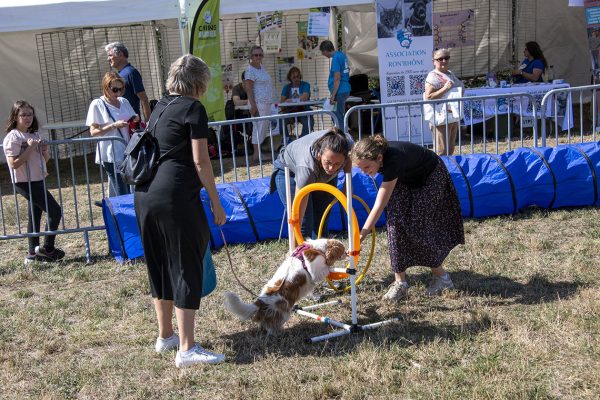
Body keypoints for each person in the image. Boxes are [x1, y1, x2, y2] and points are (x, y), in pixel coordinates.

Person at [134, 54, 227, 368]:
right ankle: (187, 349)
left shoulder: (160, 106)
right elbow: (201, 161)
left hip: (145, 194)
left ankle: (166, 336)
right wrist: (215, 202)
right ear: (200, 82)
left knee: (159, 264)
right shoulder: (193, 108)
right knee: (186, 265)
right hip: (175, 197)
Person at [352, 135, 464, 301]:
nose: (363, 172)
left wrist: (362, 234)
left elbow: (379, 204)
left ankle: (443, 278)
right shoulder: (380, 160)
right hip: (407, 176)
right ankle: (400, 283)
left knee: (418, 227)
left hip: (431, 176)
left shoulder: (393, 160)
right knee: (394, 224)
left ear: (379, 158)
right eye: (360, 168)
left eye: (366, 167)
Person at [3, 101, 65, 264]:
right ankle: (48, 249)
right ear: (15, 117)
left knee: (35, 215)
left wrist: (44, 151)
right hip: (24, 182)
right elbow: (13, 163)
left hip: (38, 179)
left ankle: (33, 253)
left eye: (30, 114)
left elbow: (43, 160)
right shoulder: (13, 136)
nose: (27, 117)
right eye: (23, 114)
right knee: (55, 211)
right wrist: (30, 148)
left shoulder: (34, 134)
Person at [271, 128, 353, 243]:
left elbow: (348, 160)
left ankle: (320, 257)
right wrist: (295, 246)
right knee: (305, 223)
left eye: (337, 164)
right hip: (289, 171)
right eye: (328, 162)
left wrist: (347, 185)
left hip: (321, 174)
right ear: (320, 156)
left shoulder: (346, 143)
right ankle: (301, 256)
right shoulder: (307, 168)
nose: (331, 168)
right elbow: (298, 213)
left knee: (321, 222)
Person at [86, 72, 137, 197]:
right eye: (115, 89)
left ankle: (116, 212)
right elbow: (93, 132)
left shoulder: (124, 101)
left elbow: (132, 118)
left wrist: (135, 119)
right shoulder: (97, 104)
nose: (118, 93)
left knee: (129, 189)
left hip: (128, 150)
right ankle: (122, 215)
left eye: (121, 89)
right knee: (122, 190)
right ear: (106, 87)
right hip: (111, 154)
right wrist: (113, 126)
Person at [423, 48, 464, 156]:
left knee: (450, 149)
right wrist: (445, 88)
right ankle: (439, 171)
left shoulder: (450, 73)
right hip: (440, 118)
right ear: (434, 61)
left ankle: (447, 170)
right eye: (440, 59)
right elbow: (429, 96)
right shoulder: (432, 76)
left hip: (452, 116)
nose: (444, 61)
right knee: (441, 150)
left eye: (446, 58)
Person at [105, 42, 151, 121]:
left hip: (132, 124)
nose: (108, 59)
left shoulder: (131, 72)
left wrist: (148, 123)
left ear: (120, 54)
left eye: (110, 55)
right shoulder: (120, 74)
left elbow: (144, 98)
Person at [244, 45, 274, 162]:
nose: (258, 57)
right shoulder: (250, 70)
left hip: (266, 103)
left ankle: (259, 153)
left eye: (260, 55)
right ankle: (257, 154)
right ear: (251, 56)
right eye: (256, 55)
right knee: (258, 128)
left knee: (263, 128)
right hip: (258, 103)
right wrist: (253, 105)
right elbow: (248, 89)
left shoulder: (262, 67)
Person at [319, 40, 351, 132]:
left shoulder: (336, 58)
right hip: (344, 89)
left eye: (322, 52)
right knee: (338, 115)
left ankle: (342, 138)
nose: (323, 54)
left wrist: (333, 96)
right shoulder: (341, 55)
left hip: (340, 91)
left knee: (338, 117)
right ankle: (342, 135)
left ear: (326, 50)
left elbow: (337, 78)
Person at [280, 66, 314, 139]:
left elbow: (305, 97)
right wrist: (299, 98)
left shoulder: (305, 85)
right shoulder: (286, 87)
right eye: (294, 77)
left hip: (304, 111)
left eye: (298, 76)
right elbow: (282, 102)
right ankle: (287, 141)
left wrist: (290, 100)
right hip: (290, 112)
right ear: (290, 78)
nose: (296, 79)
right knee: (281, 121)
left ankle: (303, 140)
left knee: (309, 122)